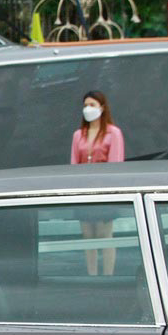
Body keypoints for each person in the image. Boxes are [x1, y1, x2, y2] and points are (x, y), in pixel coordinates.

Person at [70, 90, 124, 276]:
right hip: (83, 193)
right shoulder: (79, 135)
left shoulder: (113, 133)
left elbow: (115, 164)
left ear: (102, 107)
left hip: (104, 193)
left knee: (104, 235)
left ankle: (108, 275)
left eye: (92, 105)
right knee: (88, 237)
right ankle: (91, 275)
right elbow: (74, 165)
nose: (88, 109)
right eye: (85, 105)